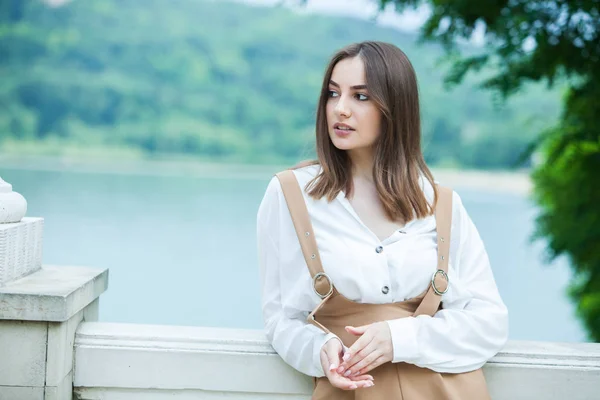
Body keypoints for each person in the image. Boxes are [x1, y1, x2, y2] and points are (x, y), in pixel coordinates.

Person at [256, 41, 508, 399]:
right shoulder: (290, 194)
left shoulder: (442, 204)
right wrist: (319, 350)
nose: (339, 109)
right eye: (332, 93)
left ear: (395, 108)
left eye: (360, 97)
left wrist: (398, 338)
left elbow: (489, 323)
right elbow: (281, 319)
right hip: (350, 390)